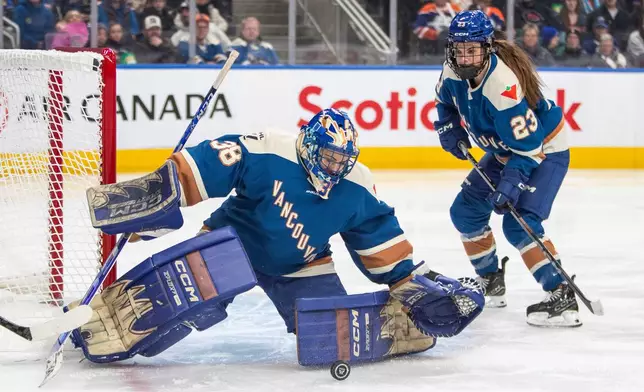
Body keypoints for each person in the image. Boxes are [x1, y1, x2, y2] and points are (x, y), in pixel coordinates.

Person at [70, 108, 484, 366]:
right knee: (184, 303)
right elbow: (212, 162)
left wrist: (411, 285)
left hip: (302, 262)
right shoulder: (270, 149)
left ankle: (401, 324)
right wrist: (166, 191)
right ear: (310, 145)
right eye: (328, 157)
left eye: (343, 160)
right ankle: (97, 318)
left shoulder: (358, 186)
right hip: (232, 244)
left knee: (332, 336)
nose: (334, 167)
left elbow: (379, 239)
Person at [433, 10, 581, 328]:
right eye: (458, 48)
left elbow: (528, 149)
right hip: (506, 151)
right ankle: (491, 281)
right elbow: (443, 103)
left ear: (487, 48)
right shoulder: (451, 70)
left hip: (544, 150)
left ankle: (561, 293)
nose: (464, 55)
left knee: (520, 224)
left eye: (471, 48)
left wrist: (512, 182)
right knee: (465, 211)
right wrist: (448, 127)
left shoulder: (503, 87)